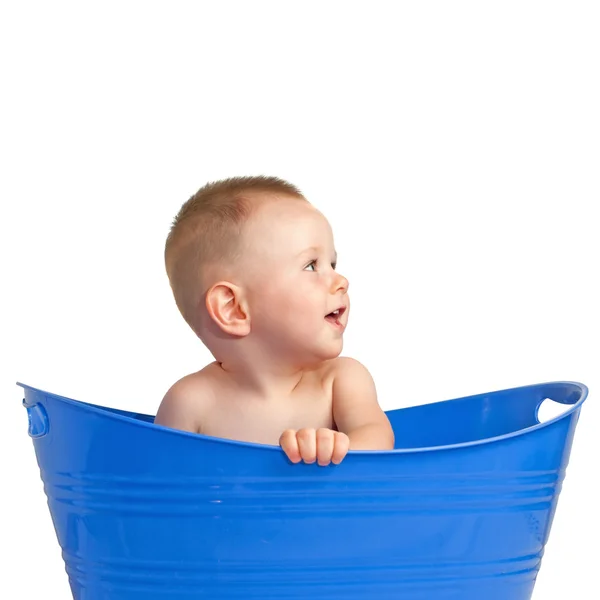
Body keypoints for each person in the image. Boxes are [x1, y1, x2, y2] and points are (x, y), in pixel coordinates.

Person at [155, 175, 394, 465]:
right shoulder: (191, 403)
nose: (340, 280)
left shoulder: (340, 381)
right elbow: (163, 488)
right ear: (233, 309)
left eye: (332, 263)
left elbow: (379, 440)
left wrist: (340, 447)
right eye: (311, 266)